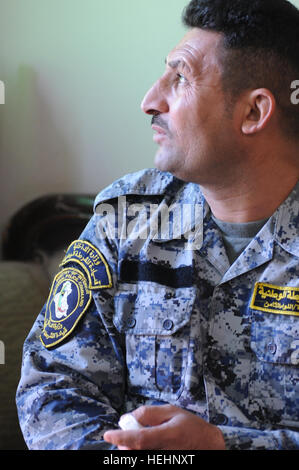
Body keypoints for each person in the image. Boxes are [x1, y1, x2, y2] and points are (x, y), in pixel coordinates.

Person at [16, 0, 299, 450]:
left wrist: (225, 447)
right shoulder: (127, 218)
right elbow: (52, 385)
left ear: (253, 112)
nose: (150, 100)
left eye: (181, 78)